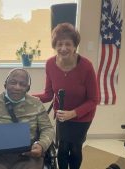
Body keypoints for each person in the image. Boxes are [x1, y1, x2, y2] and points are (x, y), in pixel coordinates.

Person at [33, 22, 98, 169]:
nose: (63, 48)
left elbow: (94, 99)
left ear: (75, 46)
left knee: (75, 148)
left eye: (68, 44)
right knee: (62, 148)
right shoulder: (50, 64)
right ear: (54, 45)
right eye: (59, 44)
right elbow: (49, 94)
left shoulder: (86, 66)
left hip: (82, 117)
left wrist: (73, 113)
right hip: (62, 115)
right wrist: (29, 97)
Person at [0, 68, 55, 169]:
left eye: (22, 84)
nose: (17, 87)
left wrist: (42, 145)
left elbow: (47, 129)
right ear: (5, 84)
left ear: (28, 88)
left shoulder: (36, 104)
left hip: (26, 156)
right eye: (13, 82)